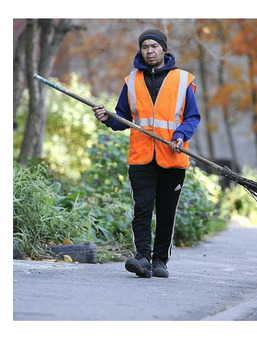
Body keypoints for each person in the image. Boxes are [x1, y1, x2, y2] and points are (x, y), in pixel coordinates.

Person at [92, 28, 201, 278]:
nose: (149, 51)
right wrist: (107, 118)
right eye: (145, 47)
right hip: (141, 157)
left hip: (172, 157)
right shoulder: (131, 81)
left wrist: (180, 135)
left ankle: (160, 261)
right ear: (140, 50)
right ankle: (142, 257)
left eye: (154, 46)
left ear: (163, 48)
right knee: (141, 208)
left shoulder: (183, 80)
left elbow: (192, 116)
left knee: (166, 212)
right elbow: (123, 119)